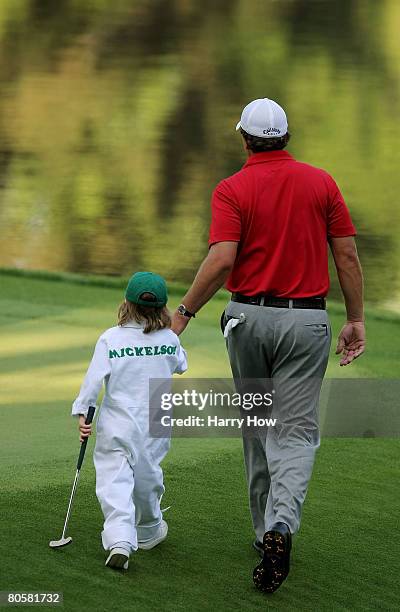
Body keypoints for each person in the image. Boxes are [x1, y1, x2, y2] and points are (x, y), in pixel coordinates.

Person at [171, 98, 365, 593]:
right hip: (306, 322)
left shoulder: (232, 188)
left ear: (244, 139)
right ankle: (282, 526)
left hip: (247, 319)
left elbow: (221, 260)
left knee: (258, 426)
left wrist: (184, 313)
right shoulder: (322, 182)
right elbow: (345, 254)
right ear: (287, 137)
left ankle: (264, 536)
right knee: (295, 432)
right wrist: (357, 318)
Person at [72, 271, 187, 570]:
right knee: (148, 476)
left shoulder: (111, 338)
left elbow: (93, 381)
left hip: (117, 423)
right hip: (156, 423)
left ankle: (121, 539)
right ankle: (148, 529)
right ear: (164, 308)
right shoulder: (170, 339)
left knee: (114, 481)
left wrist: (83, 411)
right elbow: (181, 365)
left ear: (126, 302)